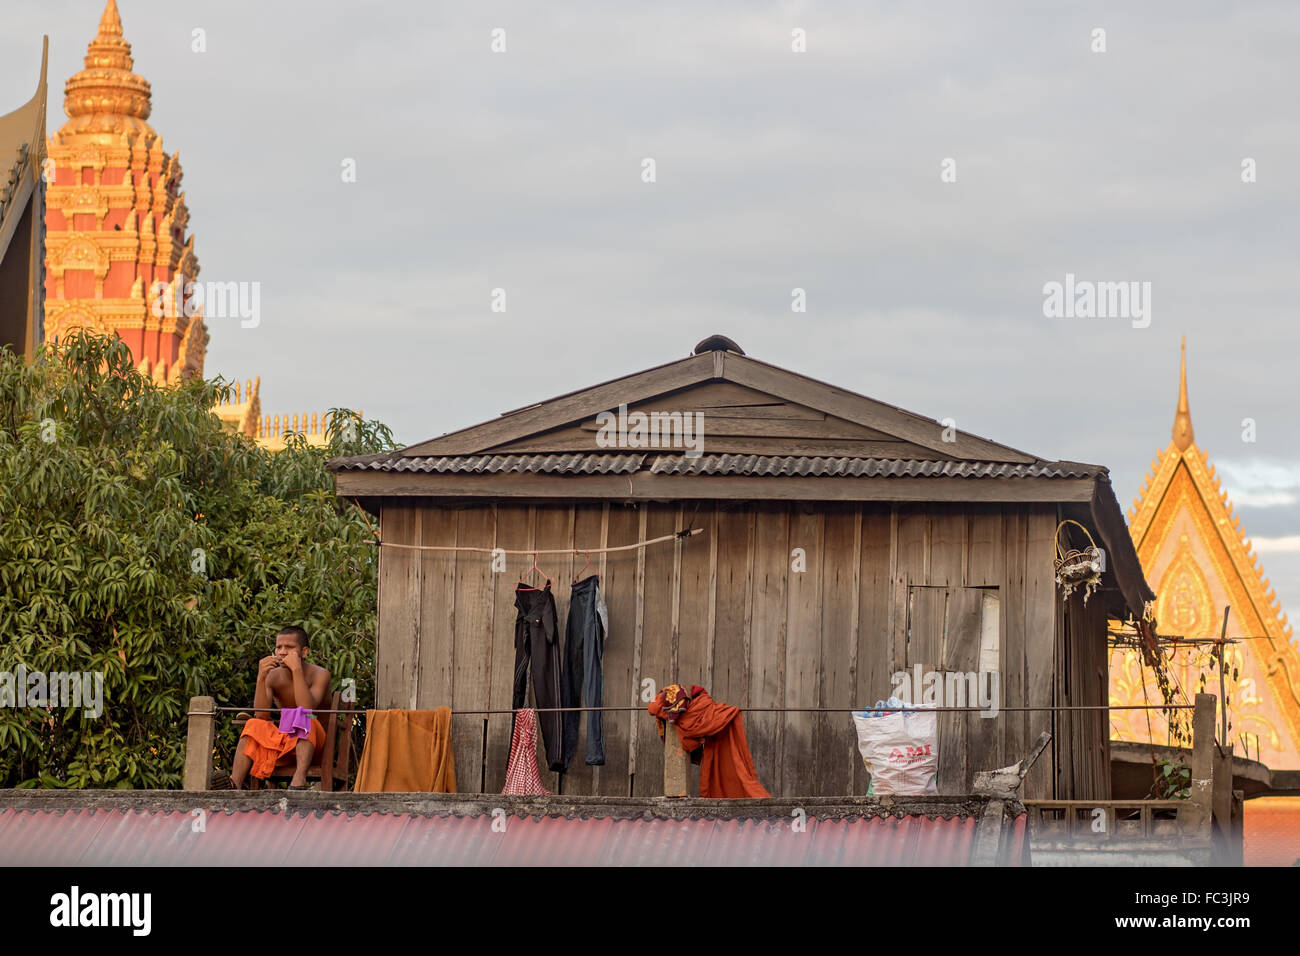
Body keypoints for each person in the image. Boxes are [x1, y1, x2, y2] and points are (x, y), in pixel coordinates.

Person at [228, 626, 331, 790]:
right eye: (278, 647)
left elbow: (306, 708)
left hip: (314, 747)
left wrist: (296, 669)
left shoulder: (320, 674)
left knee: (304, 718)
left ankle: (298, 780)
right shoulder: (273, 676)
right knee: (253, 725)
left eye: (289, 647)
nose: (282, 652)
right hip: (283, 744)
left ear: (304, 652)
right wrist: (261, 677)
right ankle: (234, 784)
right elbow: (262, 715)